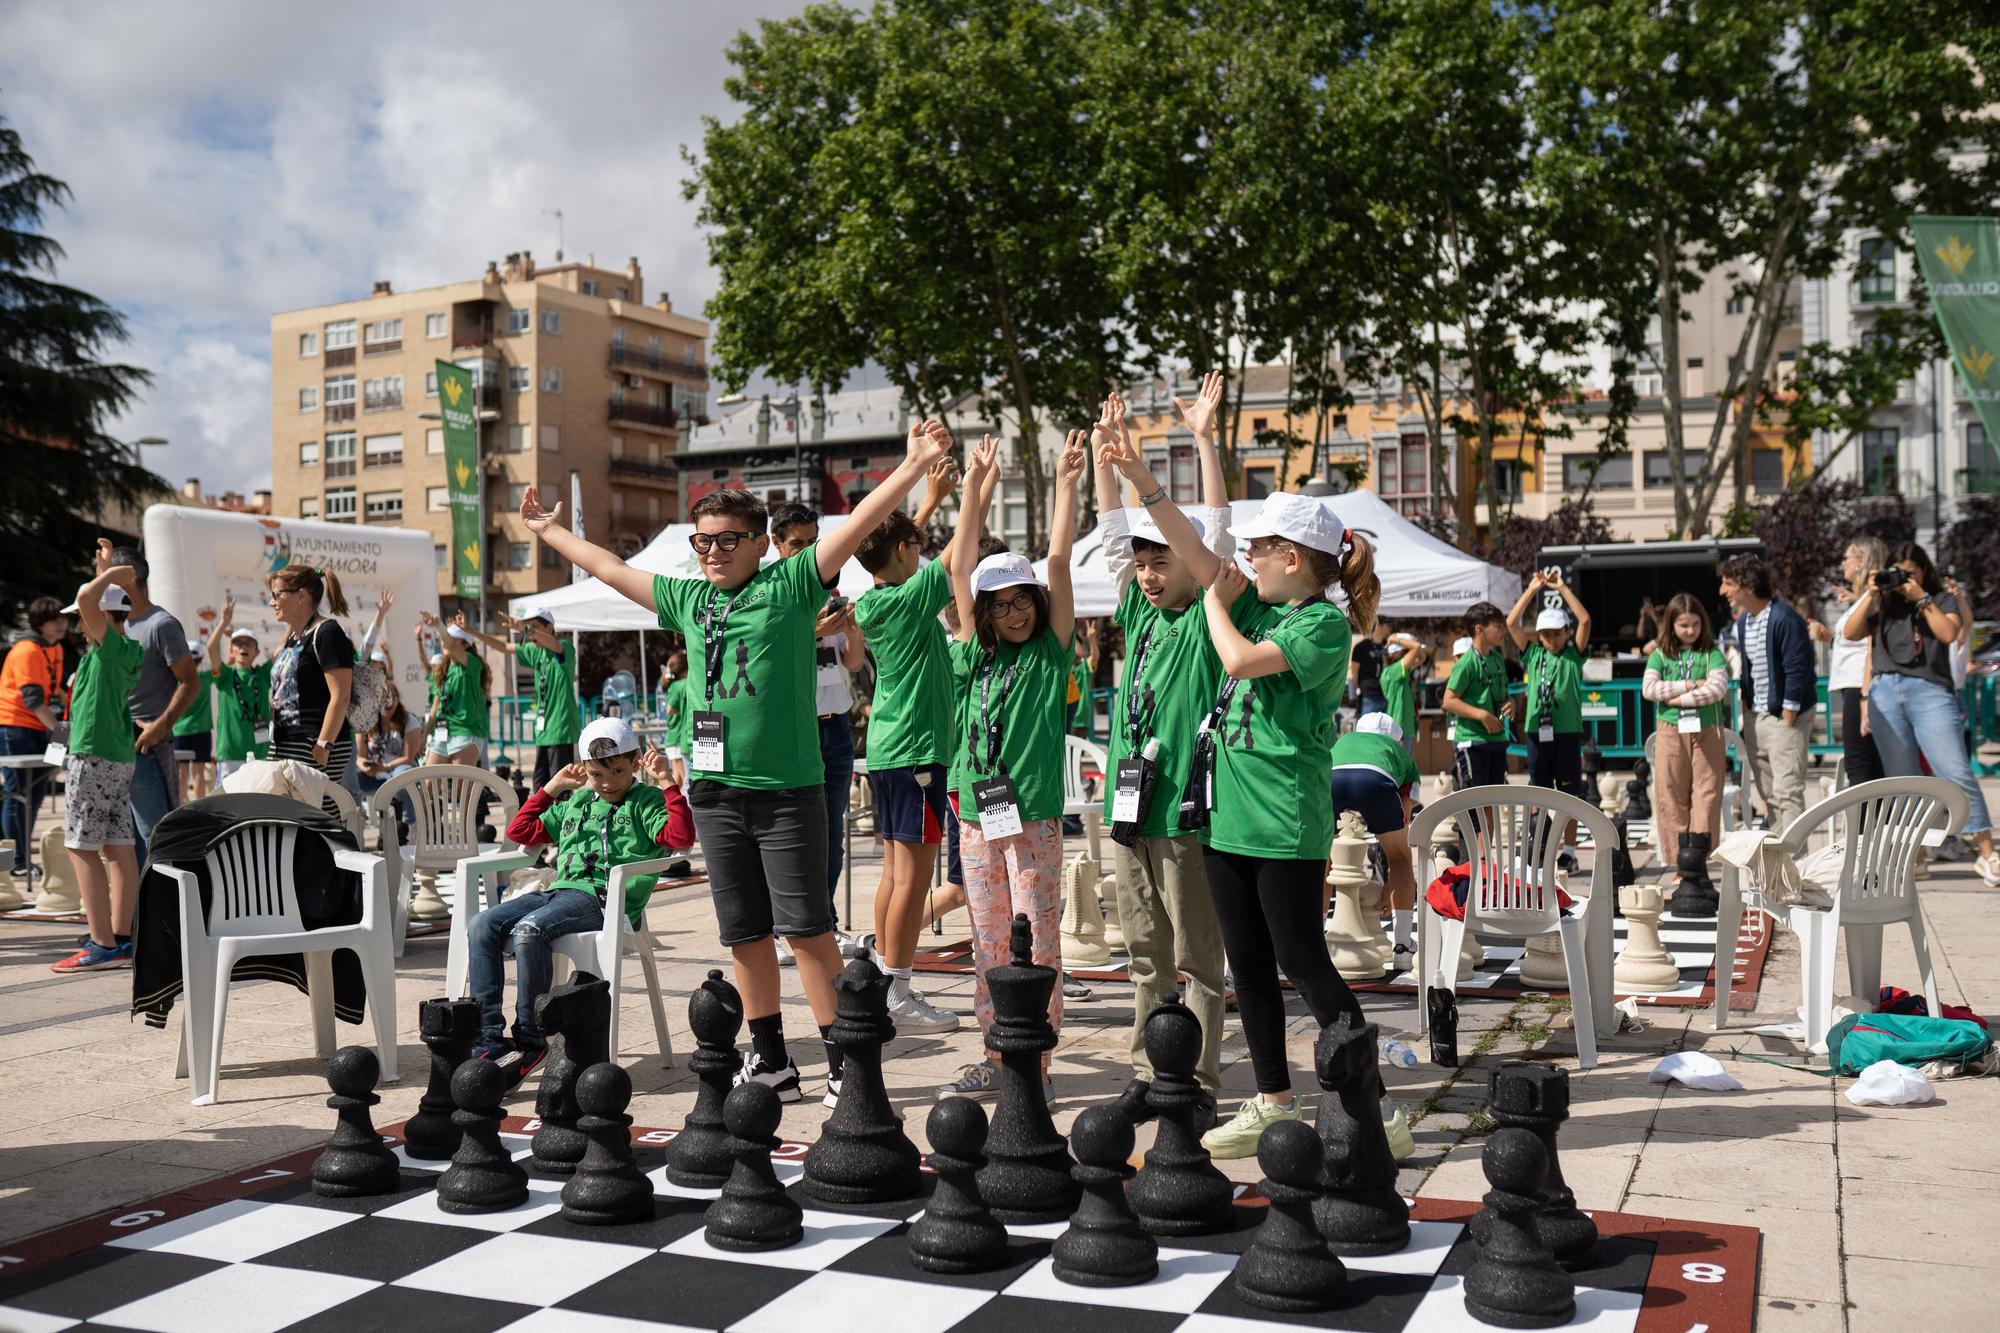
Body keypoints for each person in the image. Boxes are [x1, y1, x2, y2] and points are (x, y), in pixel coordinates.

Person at [521, 414, 951, 1107]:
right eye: (703, 541)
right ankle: (773, 1057)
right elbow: (611, 568)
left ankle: (843, 1062)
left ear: (759, 543)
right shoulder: (690, 597)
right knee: (744, 932)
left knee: (806, 929)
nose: (713, 551)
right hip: (716, 793)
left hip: (786, 790)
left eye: (726, 540)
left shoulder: (789, 586)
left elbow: (857, 521)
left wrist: (910, 467)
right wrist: (550, 533)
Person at [1192, 490, 1381, 1160]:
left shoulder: (1322, 624)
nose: (1246, 559)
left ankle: (1369, 1099)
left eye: (1258, 548)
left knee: (1302, 959)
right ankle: (1272, 1099)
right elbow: (1203, 553)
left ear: (1292, 557)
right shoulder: (1273, 610)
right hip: (1230, 815)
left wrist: (1213, 598)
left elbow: (1240, 660)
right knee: (1246, 964)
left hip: (1284, 818)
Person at [1088, 376, 1232, 1125]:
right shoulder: (1137, 612)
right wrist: (1108, 466)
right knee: (1143, 951)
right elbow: (1115, 538)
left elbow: (1212, 533)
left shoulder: (1208, 610)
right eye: (1142, 565)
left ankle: (1200, 1079)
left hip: (1184, 806)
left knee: (1197, 958)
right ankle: (1150, 1066)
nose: (1148, 574)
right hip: (1129, 806)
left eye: (1161, 562)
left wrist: (1204, 441)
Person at [938, 431, 1082, 1104]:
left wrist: (1067, 484)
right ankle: (998, 1056)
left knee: (1037, 940)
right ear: (986, 614)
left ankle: (1038, 1064)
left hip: (1033, 821)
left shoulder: (1052, 655)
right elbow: (958, 572)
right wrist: (973, 491)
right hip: (975, 816)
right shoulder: (972, 655)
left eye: (1022, 597)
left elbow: (1057, 560)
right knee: (989, 941)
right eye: (1002, 602)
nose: (1015, 608)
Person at [473, 717, 695, 1084]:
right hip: (561, 892)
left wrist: (668, 783)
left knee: (530, 930)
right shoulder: (575, 803)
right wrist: (553, 787)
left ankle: (532, 1039)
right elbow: (519, 831)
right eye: (596, 775)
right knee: (482, 924)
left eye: (617, 771)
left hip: (606, 901)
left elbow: (680, 836)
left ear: (637, 761)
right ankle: (489, 1037)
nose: (608, 783)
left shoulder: (646, 801)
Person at [850, 455, 983, 1033]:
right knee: (912, 878)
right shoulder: (907, 598)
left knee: (890, 874)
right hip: (917, 754)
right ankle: (899, 987)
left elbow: (891, 547)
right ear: (905, 552)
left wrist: (925, 502)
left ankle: (881, 974)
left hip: (887, 752)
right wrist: (973, 489)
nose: (920, 548)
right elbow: (957, 555)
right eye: (913, 543)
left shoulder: (874, 596)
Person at [1842, 542, 2000, 884]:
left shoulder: (1940, 599)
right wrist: (1870, 593)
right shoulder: (1881, 602)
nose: (1900, 579)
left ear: (1923, 572)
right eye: (1895, 571)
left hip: (1930, 691)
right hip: (1885, 691)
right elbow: (1850, 632)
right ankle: (1913, 859)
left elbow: (1949, 633)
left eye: (1908, 573)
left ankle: (1988, 855)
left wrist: (1921, 597)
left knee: (1955, 771)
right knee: (1902, 780)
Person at [769, 503, 869, 962]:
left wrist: (852, 628)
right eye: (798, 544)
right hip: (794, 729)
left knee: (832, 835)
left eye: (815, 542)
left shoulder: (828, 589)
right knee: (792, 835)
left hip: (836, 727)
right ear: (776, 544)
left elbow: (851, 663)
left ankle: (822, 923)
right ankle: (782, 927)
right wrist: (811, 630)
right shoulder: (773, 591)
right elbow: (770, 653)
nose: (809, 552)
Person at [51, 565, 142, 973]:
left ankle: (101, 942)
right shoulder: (118, 650)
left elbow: (89, 599)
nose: (79, 625)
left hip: (93, 757)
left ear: (102, 618)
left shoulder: (112, 648)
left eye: (82, 619)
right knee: (118, 847)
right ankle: (120, 938)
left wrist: (112, 574)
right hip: (116, 757)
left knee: (81, 847)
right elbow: (91, 601)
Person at [102, 542, 199, 869]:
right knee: (124, 840)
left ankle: (166, 911)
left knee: (156, 836)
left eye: (107, 577)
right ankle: (138, 914)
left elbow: (190, 682)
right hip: (117, 746)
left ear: (126, 579)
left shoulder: (162, 625)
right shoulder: (118, 625)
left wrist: (160, 726)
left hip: (146, 750)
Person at [1642, 593, 1730, 913]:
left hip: (1708, 730)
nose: (1690, 630)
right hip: (1669, 729)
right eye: (1683, 625)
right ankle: (1680, 863)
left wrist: (1677, 696)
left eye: (1695, 624)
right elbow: (1650, 689)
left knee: (1706, 794)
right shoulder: (1660, 656)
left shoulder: (1713, 654)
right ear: (1672, 625)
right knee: (1671, 793)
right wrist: (1691, 686)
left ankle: (1701, 861)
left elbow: (1718, 689)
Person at [1718, 554, 1815, 834]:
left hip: (1785, 718)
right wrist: (1748, 709)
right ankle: (1779, 862)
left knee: (1787, 793)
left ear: (1747, 586)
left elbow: (1798, 667)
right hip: (1756, 716)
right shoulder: (1743, 622)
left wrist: (1789, 713)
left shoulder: (1785, 618)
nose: (1722, 591)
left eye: (1727, 583)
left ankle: (1796, 867)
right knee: (1769, 794)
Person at [1506, 570, 1593, 870]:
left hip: (1567, 731)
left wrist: (1561, 588)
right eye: (1546, 634)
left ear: (1567, 633)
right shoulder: (1533, 655)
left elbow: (1585, 620)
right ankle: (1537, 846)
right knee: (1537, 792)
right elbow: (1511, 623)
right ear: (1539, 636)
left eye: (1557, 633)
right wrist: (1531, 589)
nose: (1551, 639)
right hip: (1536, 730)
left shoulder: (1573, 655)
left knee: (1569, 793)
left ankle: (1568, 851)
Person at [266, 563, 355, 817]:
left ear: (302, 596)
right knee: (290, 821)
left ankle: (332, 857)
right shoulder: (294, 636)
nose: (272, 602)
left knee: (318, 820)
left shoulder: (328, 632)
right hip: (285, 744)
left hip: (314, 744)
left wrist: (323, 745)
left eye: (277, 595)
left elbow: (341, 695)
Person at [456, 607, 579, 786]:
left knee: (560, 788)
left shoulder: (564, 648)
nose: (530, 634)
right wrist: (471, 631)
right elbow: (504, 647)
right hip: (544, 731)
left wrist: (524, 629)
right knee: (540, 788)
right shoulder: (535, 651)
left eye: (535, 627)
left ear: (550, 628)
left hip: (561, 729)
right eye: (529, 628)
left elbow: (556, 646)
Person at [1, 596, 67, 881]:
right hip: (17, 727)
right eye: (55, 620)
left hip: (44, 726)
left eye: (64, 618)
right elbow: (32, 700)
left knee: (37, 793)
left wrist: (65, 726)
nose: (62, 624)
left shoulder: (54, 648)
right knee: (19, 794)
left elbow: (56, 692)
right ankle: (16, 860)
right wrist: (61, 731)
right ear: (40, 623)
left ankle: (22, 856)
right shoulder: (27, 650)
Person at [1822, 538, 1885, 788]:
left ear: (1861, 562)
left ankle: (1865, 825)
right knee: (1865, 763)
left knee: (1860, 764)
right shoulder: (1863, 600)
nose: (1842, 564)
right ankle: (1870, 823)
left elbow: (1865, 644)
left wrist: (1864, 699)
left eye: (1846, 558)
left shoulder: (1871, 599)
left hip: (1860, 686)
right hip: (1856, 686)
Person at [1443, 602, 1515, 790]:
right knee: (1475, 804)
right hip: (1472, 741)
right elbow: (1448, 701)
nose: (1503, 631)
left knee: (1493, 801)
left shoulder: (1498, 659)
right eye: (1498, 626)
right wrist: (1482, 715)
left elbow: (1504, 694)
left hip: (1497, 740)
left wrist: (1510, 702)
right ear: (1480, 630)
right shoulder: (1466, 662)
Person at [205, 608, 271, 783]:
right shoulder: (226, 676)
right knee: (227, 807)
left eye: (248, 643)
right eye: (238, 643)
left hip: (260, 756)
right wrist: (223, 622)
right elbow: (211, 648)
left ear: (257, 651)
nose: (243, 647)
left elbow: (281, 650)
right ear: (231, 651)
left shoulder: (263, 675)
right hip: (230, 756)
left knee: (257, 806)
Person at [418, 610, 489, 766]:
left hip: (465, 733)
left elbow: (449, 644)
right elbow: (436, 706)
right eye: (444, 639)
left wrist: (438, 625)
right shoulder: (444, 669)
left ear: (465, 645)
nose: (444, 642)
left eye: (451, 639)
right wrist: (424, 735)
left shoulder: (472, 663)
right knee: (428, 786)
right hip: (442, 733)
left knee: (462, 789)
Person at [171, 659, 215, 803]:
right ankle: (199, 805)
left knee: (181, 771)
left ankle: (180, 803)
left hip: (179, 730)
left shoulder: (176, 681)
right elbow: (222, 663)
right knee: (198, 770)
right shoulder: (205, 677)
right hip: (201, 729)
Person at [1379, 639, 1429, 756]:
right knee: (1400, 771)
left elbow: (1422, 658)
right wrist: (1395, 639)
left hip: (1405, 729)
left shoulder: (1402, 672)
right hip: (1399, 728)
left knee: (1405, 770)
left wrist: (1411, 641)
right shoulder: (1393, 671)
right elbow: (1416, 648)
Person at [660, 649, 691, 788]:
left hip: (674, 736)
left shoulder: (673, 685)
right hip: (678, 736)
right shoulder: (683, 685)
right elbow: (670, 710)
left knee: (678, 779)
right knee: (684, 778)